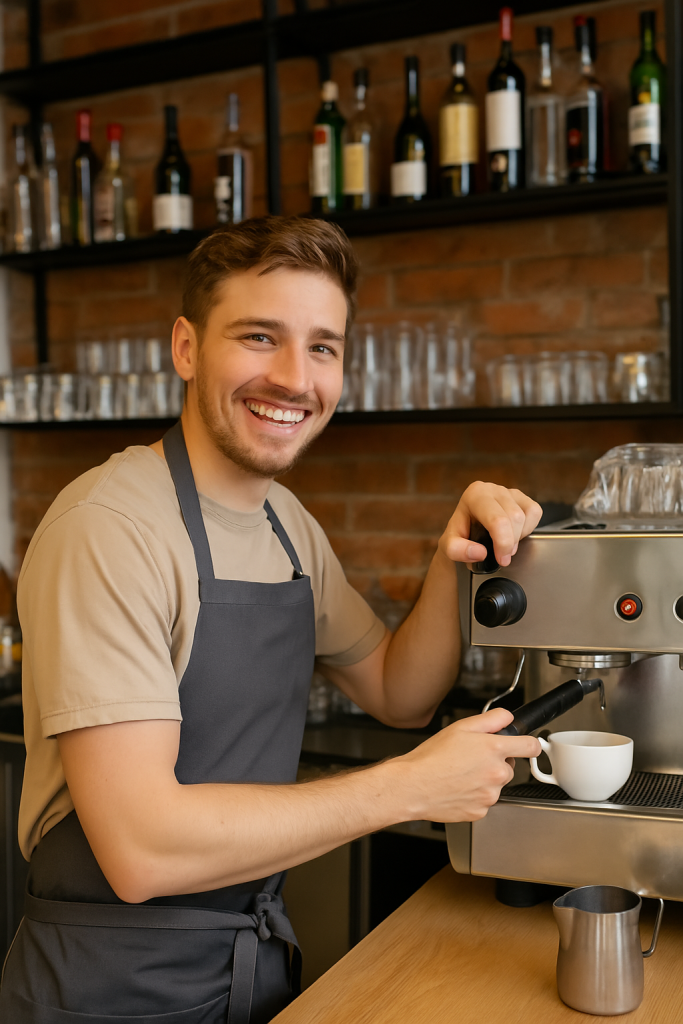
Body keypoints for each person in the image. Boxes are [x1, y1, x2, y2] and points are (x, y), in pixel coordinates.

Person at [0, 216, 542, 1023]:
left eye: (322, 346)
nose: (294, 377)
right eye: (260, 336)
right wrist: (405, 787)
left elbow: (399, 694)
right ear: (186, 348)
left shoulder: (286, 525)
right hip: (109, 987)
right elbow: (140, 850)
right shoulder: (110, 527)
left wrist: (448, 557)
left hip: (248, 970)